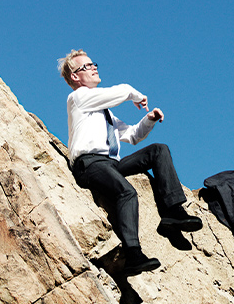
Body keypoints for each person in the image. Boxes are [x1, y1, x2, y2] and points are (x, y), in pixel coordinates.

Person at [59, 49, 202, 275]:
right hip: (89, 164)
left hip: (110, 164)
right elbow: (124, 91)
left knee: (158, 150)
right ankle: (134, 255)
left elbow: (132, 135)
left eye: (93, 64)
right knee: (127, 193)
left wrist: (149, 119)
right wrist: (136, 95)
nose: (94, 67)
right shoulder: (78, 98)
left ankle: (174, 213)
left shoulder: (104, 112)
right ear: (75, 77)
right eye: (87, 66)